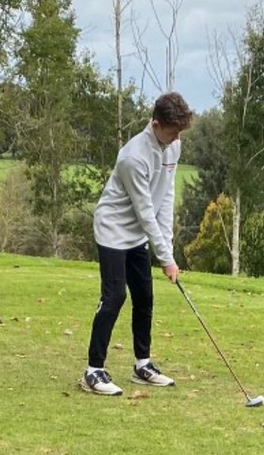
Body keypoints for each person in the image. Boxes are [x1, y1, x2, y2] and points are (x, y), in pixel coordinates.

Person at [84, 92, 196, 396]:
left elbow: (165, 199)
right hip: (113, 229)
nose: (175, 139)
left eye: (179, 133)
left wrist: (167, 251)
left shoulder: (173, 145)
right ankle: (93, 370)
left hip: (137, 234)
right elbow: (145, 211)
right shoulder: (133, 157)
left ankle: (142, 365)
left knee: (144, 296)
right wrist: (166, 259)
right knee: (115, 296)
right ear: (156, 124)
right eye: (171, 132)